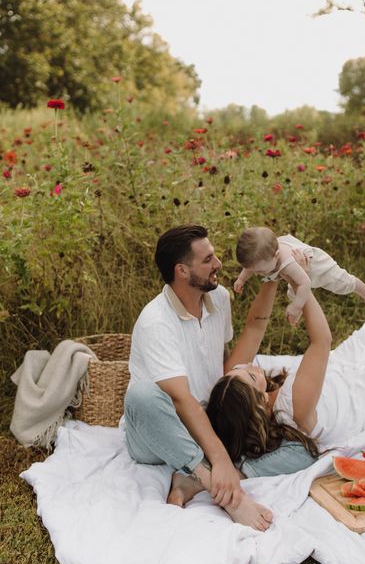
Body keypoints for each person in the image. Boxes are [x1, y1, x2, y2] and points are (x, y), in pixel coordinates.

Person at [124, 224, 316, 532]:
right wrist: (221, 461)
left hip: (209, 421)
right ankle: (225, 492)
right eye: (208, 260)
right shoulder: (155, 323)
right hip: (161, 431)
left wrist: (273, 278)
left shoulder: (219, 298)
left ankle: (195, 479)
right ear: (182, 271)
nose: (218, 265)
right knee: (141, 396)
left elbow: (239, 352)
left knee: (303, 452)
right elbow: (181, 400)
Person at [207, 292, 365, 467]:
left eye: (238, 369)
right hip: (359, 398)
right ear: (259, 403)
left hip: (340, 370)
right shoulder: (292, 405)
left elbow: (253, 327)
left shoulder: (246, 393)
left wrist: (273, 276)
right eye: (250, 374)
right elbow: (322, 339)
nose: (249, 365)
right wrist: (301, 284)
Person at [233, 227, 365, 325]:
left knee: (343, 283)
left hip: (317, 266)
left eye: (261, 271)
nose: (258, 274)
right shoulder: (264, 255)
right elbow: (250, 268)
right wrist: (242, 279)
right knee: (292, 292)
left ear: (276, 256)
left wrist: (296, 305)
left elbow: (305, 283)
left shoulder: (288, 262)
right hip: (296, 272)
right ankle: (299, 311)